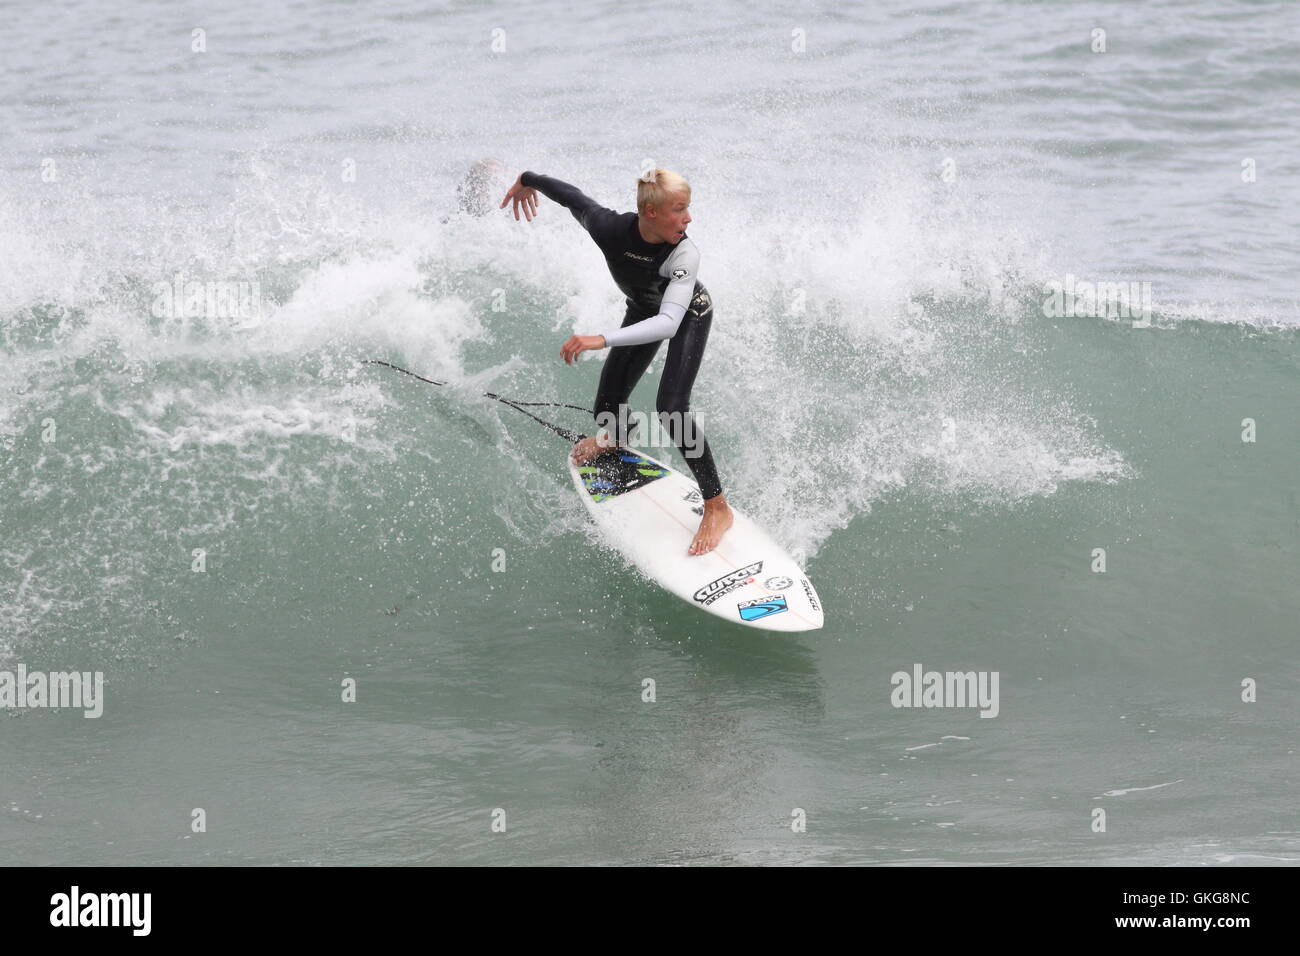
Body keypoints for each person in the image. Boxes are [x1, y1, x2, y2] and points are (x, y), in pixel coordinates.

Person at [500, 167, 733, 555]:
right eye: (679, 210)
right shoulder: (610, 229)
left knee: (672, 409)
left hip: (687, 314)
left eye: (688, 209)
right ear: (651, 212)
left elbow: (667, 323)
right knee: (606, 407)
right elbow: (574, 198)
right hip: (643, 308)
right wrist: (528, 179)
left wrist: (601, 339)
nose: (689, 219)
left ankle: (717, 505)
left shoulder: (684, 253)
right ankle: (620, 437)